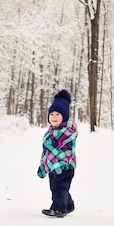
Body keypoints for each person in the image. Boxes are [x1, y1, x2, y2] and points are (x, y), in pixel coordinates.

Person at [37, 89, 78, 218]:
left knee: (58, 187)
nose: (54, 117)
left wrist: (62, 163)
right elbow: (46, 151)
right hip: (52, 166)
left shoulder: (67, 132)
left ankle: (59, 208)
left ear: (64, 116)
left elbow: (68, 151)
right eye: (52, 114)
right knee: (57, 187)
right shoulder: (50, 132)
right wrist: (43, 165)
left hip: (65, 166)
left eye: (58, 114)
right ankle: (69, 205)